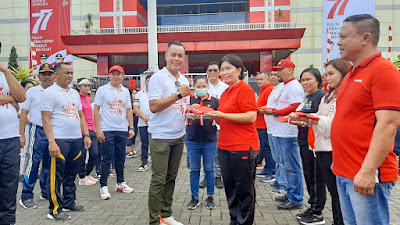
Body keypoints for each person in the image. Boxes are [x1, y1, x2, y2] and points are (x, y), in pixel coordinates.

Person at [331, 14, 400, 225]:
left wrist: (369, 170)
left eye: (343, 36)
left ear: (365, 38)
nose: (338, 42)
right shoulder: (351, 73)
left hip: (365, 174)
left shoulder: (383, 71)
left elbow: (388, 123)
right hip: (345, 171)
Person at [290, 59, 349, 225]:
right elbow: (320, 119)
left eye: (331, 74)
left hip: (333, 149)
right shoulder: (328, 96)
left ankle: (329, 216)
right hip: (319, 146)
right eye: (326, 74)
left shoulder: (338, 96)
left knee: (337, 193)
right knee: (333, 191)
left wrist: (310, 119)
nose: (327, 78)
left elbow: (332, 124)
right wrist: (306, 120)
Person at [207, 54, 259, 225]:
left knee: (244, 190)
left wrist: (221, 115)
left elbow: (251, 117)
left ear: (239, 70)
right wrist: (211, 116)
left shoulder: (245, 89)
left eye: (228, 68)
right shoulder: (226, 92)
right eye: (223, 69)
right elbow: (224, 118)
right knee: (230, 188)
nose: (224, 72)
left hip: (243, 146)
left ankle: (244, 221)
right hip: (224, 146)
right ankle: (234, 219)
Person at [147, 40, 191, 225]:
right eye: (173, 54)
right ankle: (153, 221)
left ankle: (165, 214)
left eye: (180, 55)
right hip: (160, 137)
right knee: (159, 179)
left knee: (171, 178)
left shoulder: (184, 80)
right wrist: (179, 95)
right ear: (165, 56)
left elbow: (182, 107)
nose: (177, 59)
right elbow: (154, 106)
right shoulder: (158, 78)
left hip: (178, 135)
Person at [41, 62, 91, 221]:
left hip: (76, 139)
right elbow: (45, 119)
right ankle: (54, 209)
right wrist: (51, 141)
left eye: (71, 73)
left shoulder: (74, 93)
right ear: (56, 75)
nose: (70, 76)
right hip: (59, 140)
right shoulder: (50, 93)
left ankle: (70, 202)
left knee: (71, 174)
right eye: (67, 73)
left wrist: (86, 135)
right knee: (56, 176)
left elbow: (81, 115)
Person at [264, 58, 305, 210]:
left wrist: (275, 112)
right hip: (281, 130)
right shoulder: (286, 86)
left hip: (288, 132)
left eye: (281, 69)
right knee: (286, 165)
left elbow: (295, 106)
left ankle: (296, 197)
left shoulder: (294, 86)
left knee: (292, 166)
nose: (279, 72)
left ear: (290, 70)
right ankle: (290, 193)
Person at [94, 65, 135, 200]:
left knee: (120, 158)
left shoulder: (125, 92)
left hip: (122, 129)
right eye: (113, 74)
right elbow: (96, 109)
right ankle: (104, 185)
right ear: (109, 76)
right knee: (106, 158)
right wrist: (98, 129)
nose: (116, 77)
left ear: (123, 76)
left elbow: (129, 110)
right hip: (107, 129)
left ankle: (120, 183)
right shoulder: (103, 90)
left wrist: (131, 127)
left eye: (119, 74)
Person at [19, 63, 55, 209]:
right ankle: (26, 195)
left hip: (53, 132)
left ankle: (45, 192)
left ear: (54, 75)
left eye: (49, 74)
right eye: (43, 74)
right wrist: (21, 135)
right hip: (37, 130)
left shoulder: (56, 91)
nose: (47, 77)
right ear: (39, 76)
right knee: (33, 163)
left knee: (49, 163)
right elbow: (23, 113)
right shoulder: (32, 92)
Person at [295, 68, 326, 221]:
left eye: (309, 79)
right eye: (303, 80)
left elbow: (319, 119)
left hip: (314, 143)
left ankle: (318, 212)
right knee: (308, 174)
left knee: (315, 177)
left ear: (318, 80)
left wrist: (302, 120)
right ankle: (313, 205)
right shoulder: (308, 97)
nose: (305, 82)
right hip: (303, 140)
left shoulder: (321, 96)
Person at [0, 50, 26, 225]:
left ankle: (8, 221)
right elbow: (15, 99)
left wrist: (7, 71)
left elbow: (22, 97)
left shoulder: (5, 76)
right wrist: (10, 98)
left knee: (9, 184)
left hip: (10, 139)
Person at [186, 76, 219, 211]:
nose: (201, 89)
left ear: (208, 86)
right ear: (194, 87)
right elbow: (180, 113)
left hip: (210, 140)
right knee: (194, 170)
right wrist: (188, 108)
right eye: (198, 87)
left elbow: (221, 116)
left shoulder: (215, 101)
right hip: (192, 139)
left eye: (203, 86)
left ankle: (210, 196)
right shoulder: (189, 100)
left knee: (209, 169)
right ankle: (194, 197)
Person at [199, 62, 228, 189]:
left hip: (221, 124)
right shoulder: (203, 87)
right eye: (210, 70)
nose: (212, 72)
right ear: (206, 72)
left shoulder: (225, 86)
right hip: (207, 125)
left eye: (215, 70)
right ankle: (207, 176)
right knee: (208, 153)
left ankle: (218, 176)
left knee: (219, 152)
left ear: (219, 72)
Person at [261, 70, 286, 194]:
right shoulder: (274, 89)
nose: (274, 77)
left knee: (280, 158)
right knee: (276, 157)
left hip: (278, 128)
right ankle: (279, 180)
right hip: (271, 127)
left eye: (277, 75)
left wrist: (270, 110)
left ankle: (282, 184)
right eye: (272, 75)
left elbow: (282, 108)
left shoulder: (283, 89)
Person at [77, 78, 99, 186]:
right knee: (83, 154)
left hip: (91, 127)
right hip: (82, 129)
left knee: (95, 153)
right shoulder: (77, 98)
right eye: (84, 86)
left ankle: (87, 173)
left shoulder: (88, 98)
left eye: (88, 86)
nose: (87, 88)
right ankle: (82, 176)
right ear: (79, 87)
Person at [254, 71, 275, 183]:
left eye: (261, 79)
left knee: (267, 149)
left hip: (265, 125)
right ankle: (267, 168)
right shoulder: (264, 90)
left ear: (268, 79)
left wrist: (256, 108)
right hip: (260, 124)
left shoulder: (269, 90)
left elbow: (269, 107)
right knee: (264, 148)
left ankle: (271, 171)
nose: (259, 81)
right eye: (257, 79)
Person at [134, 75, 152, 172]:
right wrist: (144, 117)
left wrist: (151, 118)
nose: (149, 83)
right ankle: (143, 162)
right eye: (147, 81)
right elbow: (136, 108)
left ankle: (155, 160)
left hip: (155, 122)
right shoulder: (140, 94)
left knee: (155, 143)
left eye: (151, 81)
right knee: (144, 143)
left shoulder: (158, 94)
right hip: (142, 122)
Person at [127, 88, 139, 158]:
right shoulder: (128, 103)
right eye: (134, 93)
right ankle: (128, 150)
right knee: (129, 135)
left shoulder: (137, 102)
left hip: (136, 119)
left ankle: (133, 148)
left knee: (135, 133)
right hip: (129, 120)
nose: (135, 95)